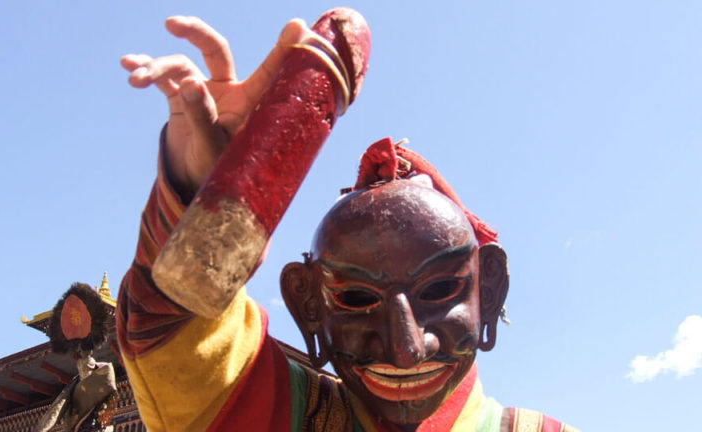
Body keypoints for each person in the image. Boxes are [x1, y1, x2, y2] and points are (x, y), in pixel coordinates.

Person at [116, 14, 578, 432]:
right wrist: (210, 194)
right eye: (356, 298)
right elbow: (170, 333)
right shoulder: (291, 417)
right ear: (308, 306)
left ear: (489, 290)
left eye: (438, 292)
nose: (406, 349)